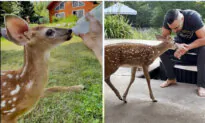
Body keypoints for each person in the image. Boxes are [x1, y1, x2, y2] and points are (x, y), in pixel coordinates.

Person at [160, 9, 205, 97]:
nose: (175, 31)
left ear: (182, 19)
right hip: (180, 41)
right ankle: (171, 78)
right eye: (171, 28)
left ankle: (202, 85)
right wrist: (177, 45)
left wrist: (187, 47)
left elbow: (204, 39)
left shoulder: (193, 17)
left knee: (204, 50)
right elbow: (164, 38)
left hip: (196, 42)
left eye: (176, 27)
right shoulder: (168, 19)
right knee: (162, 49)